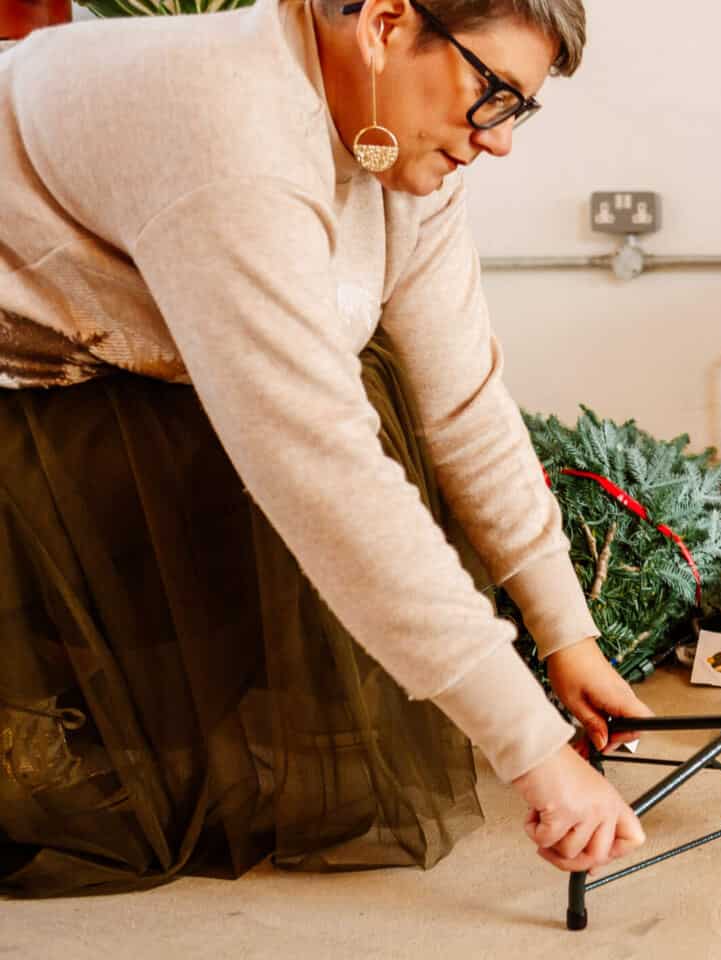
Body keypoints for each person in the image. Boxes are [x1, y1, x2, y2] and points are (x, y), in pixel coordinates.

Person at [0, 0, 651, 896]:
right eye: (494, 92)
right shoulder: (231, 133)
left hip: (122, 344)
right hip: (25, 364)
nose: (499, 142)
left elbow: (462, 402)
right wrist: (533, 753)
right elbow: (318, 466)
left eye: (517, 108)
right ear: (385, 24)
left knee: (364, 394)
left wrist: (568, 636)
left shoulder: (400, 144)